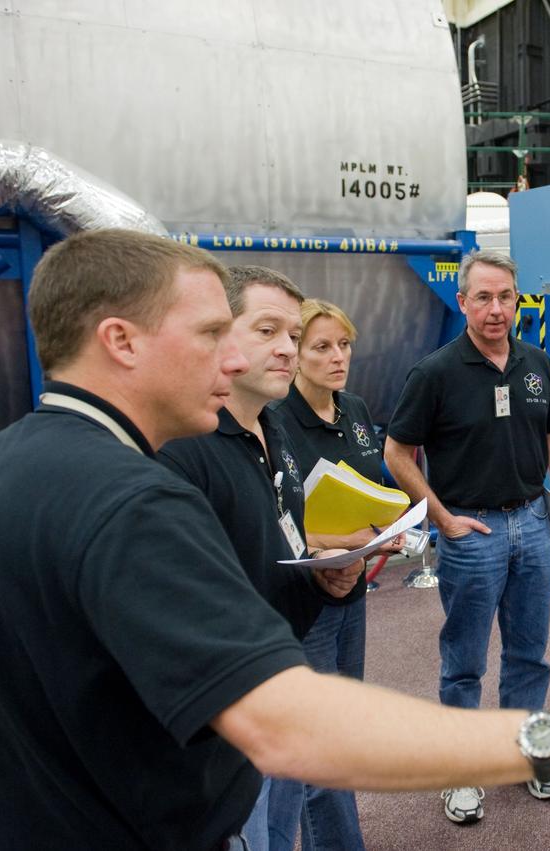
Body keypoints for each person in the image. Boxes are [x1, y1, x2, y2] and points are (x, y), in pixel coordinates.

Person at [0, 229, 550, 851]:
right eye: (212, 334)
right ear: (120, 340)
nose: (233, 357)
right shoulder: (130, 498)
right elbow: (287, 724)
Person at [157, 266, 365, 851]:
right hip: (231, 704)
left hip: (283, 658)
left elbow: (278, 544)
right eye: (268, 330)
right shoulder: (184, 449)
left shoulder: (275, 427)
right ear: (220, 335)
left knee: (283, 813)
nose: (287, 349)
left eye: (293, 335)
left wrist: (324, 572)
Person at [384, 248, 550, 825]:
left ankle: (525, 758)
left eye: (505, 296)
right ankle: (465, 771)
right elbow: (397, 453)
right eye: (483, 298)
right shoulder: (435, 373)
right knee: (465, 659)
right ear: (463, 301)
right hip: (470, 530)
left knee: (529, 653)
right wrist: (441, 518)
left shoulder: (536, 364)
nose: (496, 309)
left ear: (517, 299)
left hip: (532, 521)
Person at [272, 298, 401, 850]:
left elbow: (372, 486)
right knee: (318, 748)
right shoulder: (273, 418)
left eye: (344, 345)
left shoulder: (353, 408)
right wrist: (333, 548)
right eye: (322, 347)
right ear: (296, 354)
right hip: (306, 596)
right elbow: (270, 519)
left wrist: (375, 538)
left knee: (343, 733)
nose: (337, 356)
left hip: (353, 588)